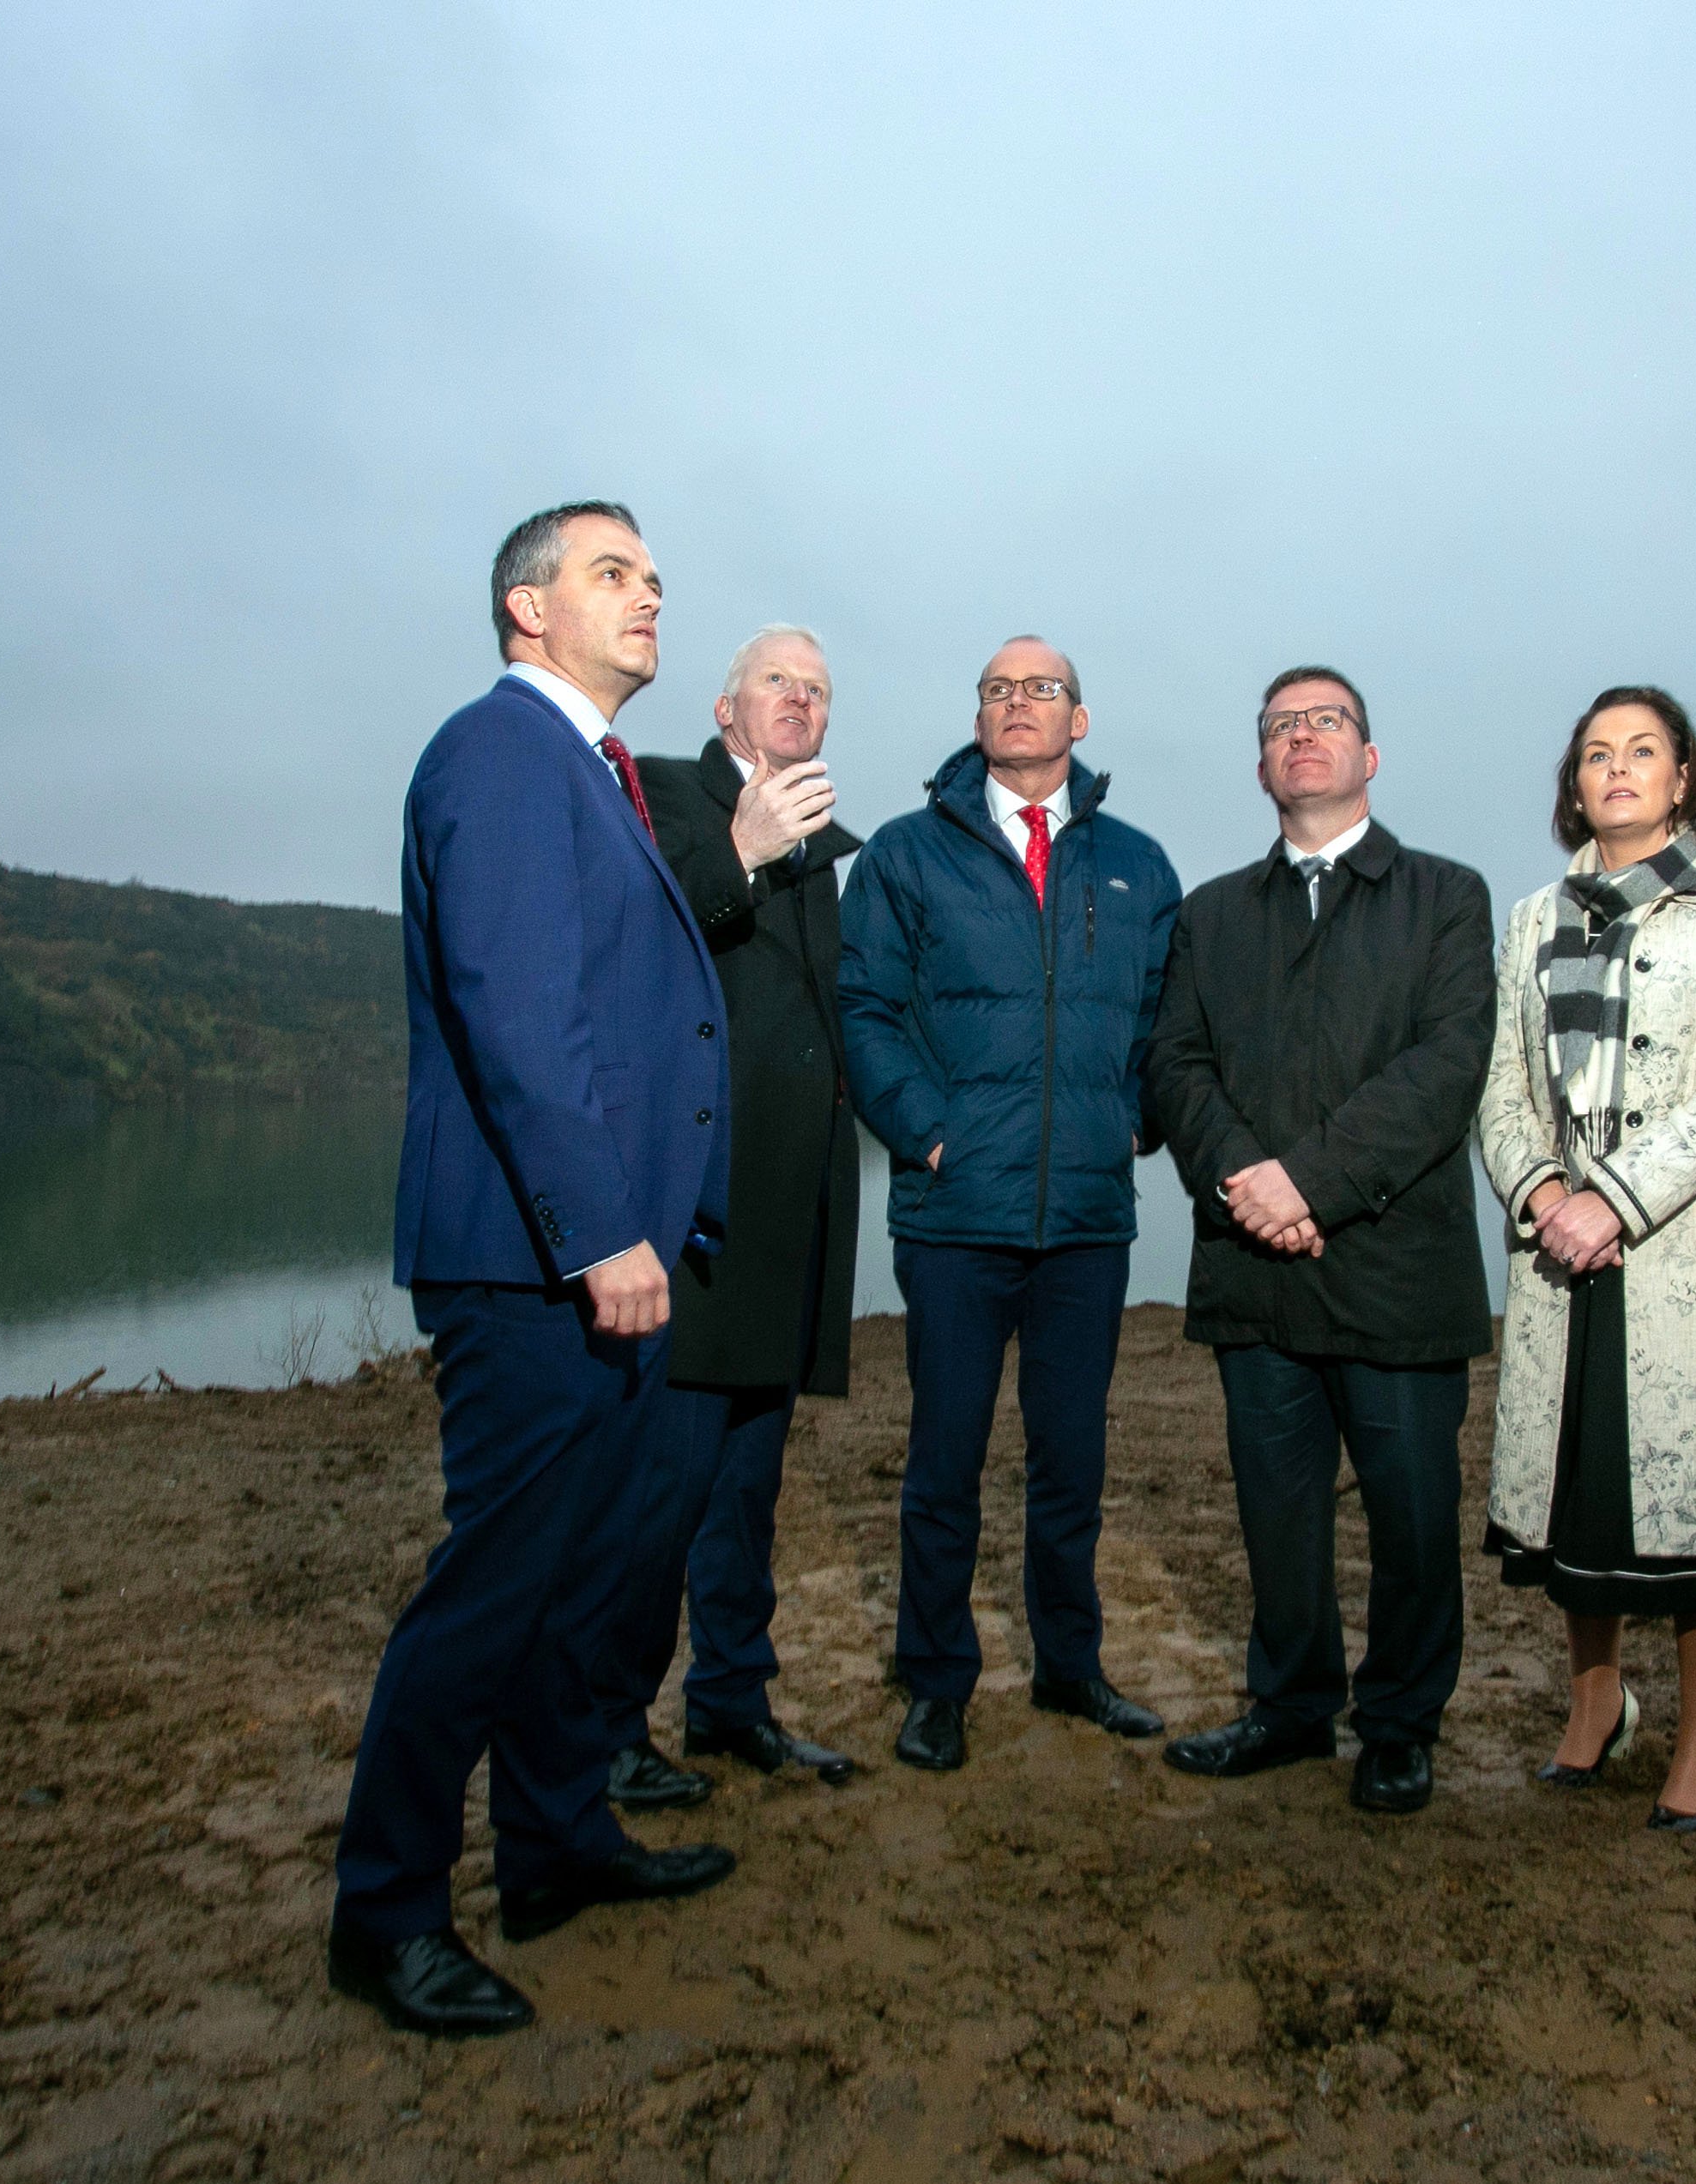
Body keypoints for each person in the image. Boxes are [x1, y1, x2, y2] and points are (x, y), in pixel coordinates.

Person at [330, 501, 739, 2041]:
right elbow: (515, 1008)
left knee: (584, 1579)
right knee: (489, 1594)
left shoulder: (597, 774)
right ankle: (385, 1913)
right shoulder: (501, 753)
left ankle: (558, 1842)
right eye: (614, 573)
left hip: (609, 1255)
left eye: (652, 576)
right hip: (534, 1260)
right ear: (526, 609)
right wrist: (596, 1228)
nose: (649, 597)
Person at [1144, 667, 1496, 1816]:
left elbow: (1443, 1068)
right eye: (1280, 727)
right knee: (1278, 1509)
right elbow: (1175, 1067)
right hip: (1255, 1268)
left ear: (1369, 755)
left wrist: (1307, 1180)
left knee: (1409, 1515)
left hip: (1395, 1267)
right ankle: (1292, 1707)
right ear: (1260, 766)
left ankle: (1398, 1722)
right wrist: (1249, 1183)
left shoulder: (1445, 895)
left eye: (1325, 722)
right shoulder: (1208, 912)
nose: (1302, 739)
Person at [837, 636, 1183, 1772]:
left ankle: (1070, 1668)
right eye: (996, 689)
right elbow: (865, 1012)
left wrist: (1137, 1123)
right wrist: (927, 1134)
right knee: (943, 1461)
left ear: (1079, 721)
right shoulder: (904, 854)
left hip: (1086, 1217)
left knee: (1070, 1461)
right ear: (977, 717)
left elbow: (1167, 1025)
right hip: (953, 1219)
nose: (1016, 703)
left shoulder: (1136, 863)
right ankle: (935, 1680)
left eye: (1039, 689)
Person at [1476, 684, 1696, 1835]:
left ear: (1681, 778)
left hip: (1693, 1251)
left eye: (1641, 751)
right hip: (1560, 1251)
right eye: (1594, 754)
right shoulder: (1530, 919)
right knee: (1579, 1508)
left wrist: (1614, 1197)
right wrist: (1541, 1191)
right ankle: (1593, 1709)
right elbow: (1502, 1085)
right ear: (1574, 786)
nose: (1615, 769)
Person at [596, 625, 863, 1801]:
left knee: (747, 1493)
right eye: (776, 683)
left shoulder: (819, 838)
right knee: (663, 1493)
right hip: (692, 1213)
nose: (797, 700)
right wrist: (745, 851)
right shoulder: (658, 793)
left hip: (788, 1215)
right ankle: (605, 1730)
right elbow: (628, 953)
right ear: (724, 707)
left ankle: (731, 1704)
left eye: (814, 689)